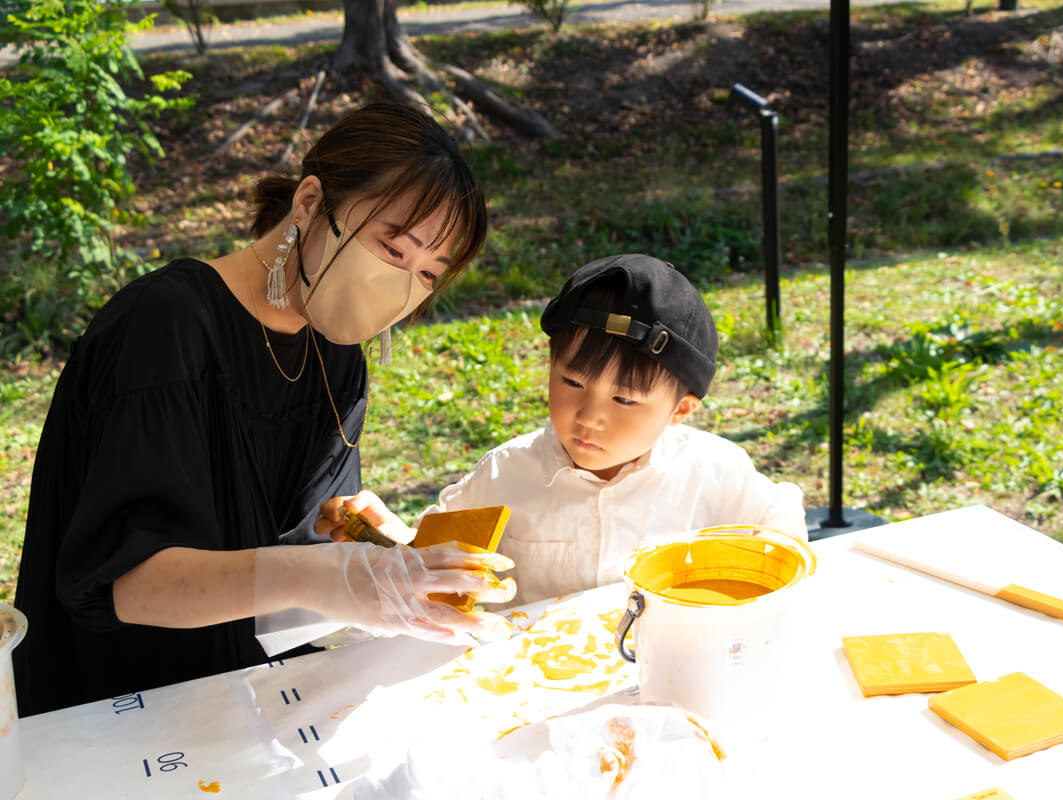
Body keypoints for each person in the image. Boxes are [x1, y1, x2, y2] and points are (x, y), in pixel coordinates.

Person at [13, 103, 516, 717]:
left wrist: (375, 559)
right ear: (309, 203)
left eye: (428, 273)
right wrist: (325, 576)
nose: (404, 282)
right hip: (122, 710)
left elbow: (291, 568)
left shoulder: (338, 360)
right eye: (393, 246)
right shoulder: (164, 326)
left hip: (248, 702)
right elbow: (125, 587)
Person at [410, 253, 807, 607]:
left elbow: (778, 520)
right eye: (572, 383)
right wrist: (383, 539)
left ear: (680, 410)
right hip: (535, 680)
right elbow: (423, 560)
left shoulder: (714, 471)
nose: (589, 417)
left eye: (624, 400)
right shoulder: (503, 476)